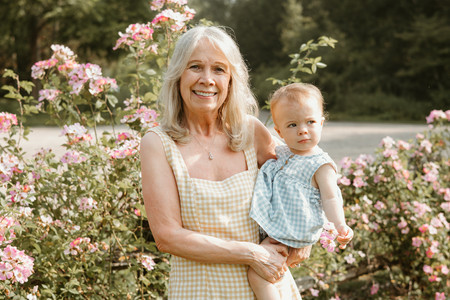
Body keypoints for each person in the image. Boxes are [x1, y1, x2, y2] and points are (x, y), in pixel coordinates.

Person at [140, 26, 309, 299]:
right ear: (178, 75)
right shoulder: (157, 143)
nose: (207, 79)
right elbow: (167, 236)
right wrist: (252, 253)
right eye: (195, 67)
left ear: (231, 80)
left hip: (268, 288)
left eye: (219, 69)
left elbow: (304, 174)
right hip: (199, 290)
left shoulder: (250, 131)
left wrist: (305, 235)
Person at [247, 83, 354, 300]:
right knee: (271, 275)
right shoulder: (283, 152)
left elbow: (331, 197)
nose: (303, 130)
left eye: (310, 122)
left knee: (258, 275)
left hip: (291, 231)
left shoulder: (320, 164)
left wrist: (339, 225)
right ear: (279, 131)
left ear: (322, 123)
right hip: (278, 225)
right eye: (292, 125)